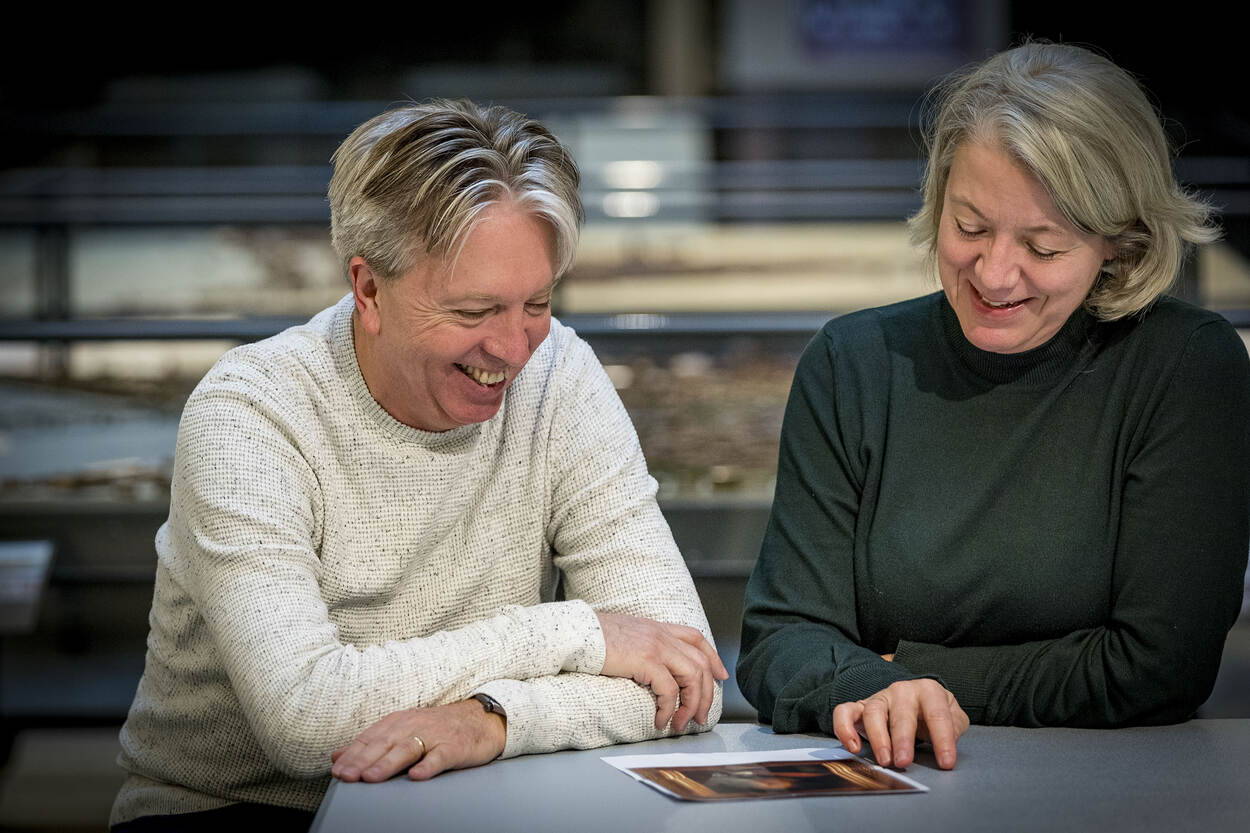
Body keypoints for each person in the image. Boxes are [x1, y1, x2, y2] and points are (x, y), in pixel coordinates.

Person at [110, 99, 726, 832]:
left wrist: (495, 719)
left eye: (537, 300)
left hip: (483, 787)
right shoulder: (252, 414)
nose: (516, 347)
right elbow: (306, 719)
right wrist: (578, 633)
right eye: (473, 312)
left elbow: (690, 681)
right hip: (240, 808)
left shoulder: (562, 372)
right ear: (368, 289)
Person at [737, 41, 1250, 773]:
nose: (995, 273)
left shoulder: (1185, 367)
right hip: (896, 790)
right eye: (970, 227)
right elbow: (783, 636)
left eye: (1043, 246)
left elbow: (1158, 664)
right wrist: (880, 687)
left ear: (1119, 240)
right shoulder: (852, 363)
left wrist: (905, 674)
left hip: (1119, 797)